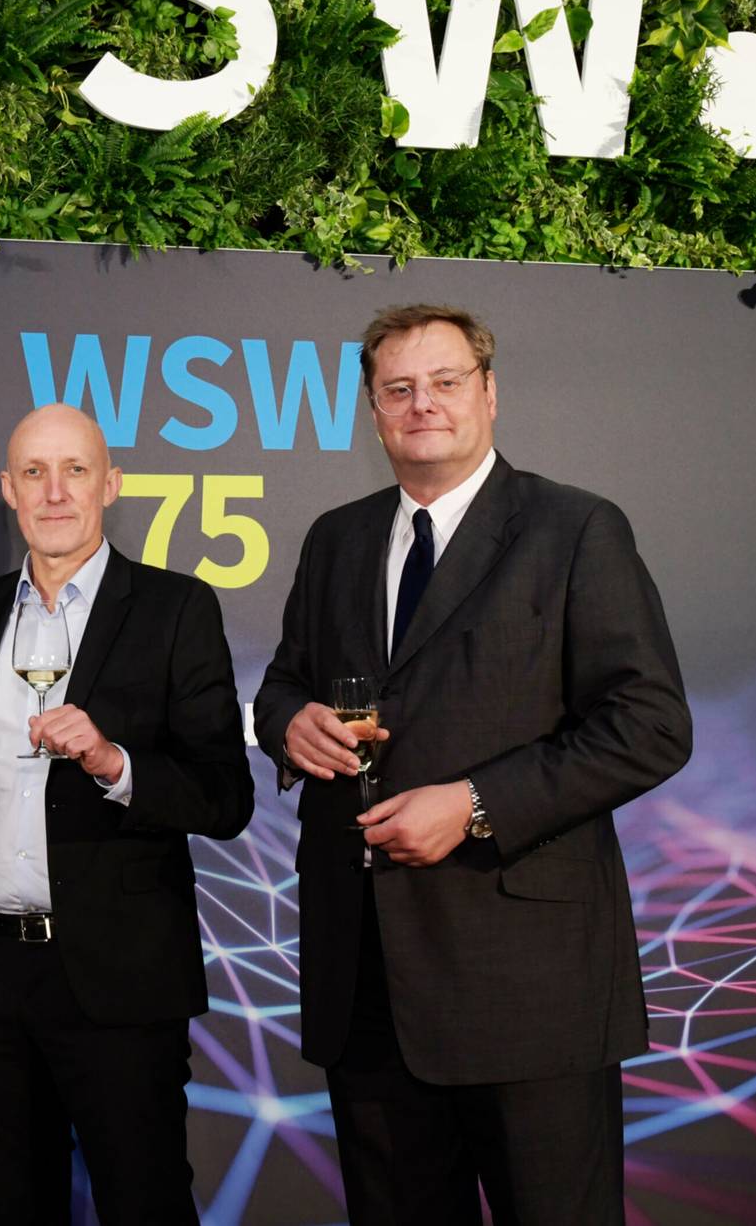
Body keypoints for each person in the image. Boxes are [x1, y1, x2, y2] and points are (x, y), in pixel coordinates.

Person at [254, 304, 692, 1225]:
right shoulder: (336, 537)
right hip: (365, 975)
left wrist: (477, 803)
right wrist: (289, 722)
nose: (424, 405)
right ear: (372, 411)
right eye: (399, 389)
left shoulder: (575, 530)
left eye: (446, 381)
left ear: (489, 393)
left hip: (526, 986)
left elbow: (649, 723)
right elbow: (285, 681)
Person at [0, 402, 254, 1226]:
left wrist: (114, 764)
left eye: (74, 470)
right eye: (34, 472)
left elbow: (225, 796)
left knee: (145, 1205)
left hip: (118, 977)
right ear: (8, 490)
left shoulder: (177, 608)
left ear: (112, 483)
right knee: (11, 1208)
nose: (54, 492)